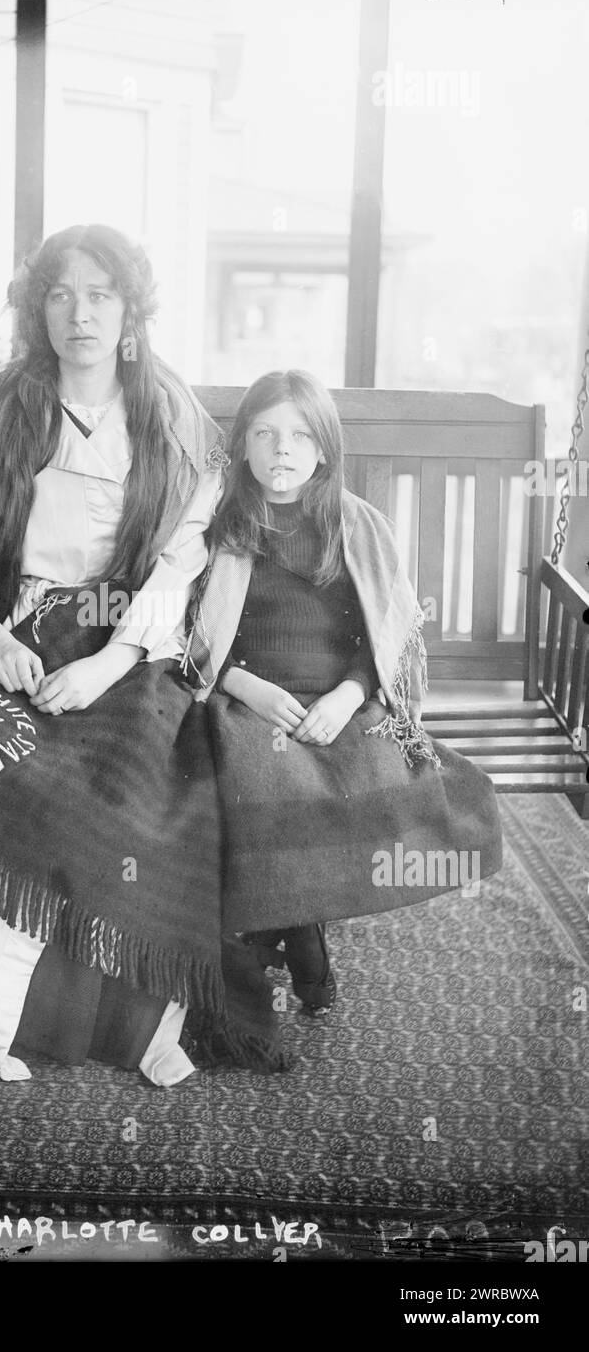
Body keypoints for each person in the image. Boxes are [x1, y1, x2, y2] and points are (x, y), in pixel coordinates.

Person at [0, 225, 285, 1087]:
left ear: (129, 311)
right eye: (60, 294)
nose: (80, 313)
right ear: (38, 309)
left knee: (134, 792)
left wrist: (109, 661)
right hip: (13, 636)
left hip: (128, 650)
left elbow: (181, 565)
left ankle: (122, 1027)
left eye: (100, 295)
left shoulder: (170, 426)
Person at [183, 369, 503, 1013]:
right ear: (241, 442)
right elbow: (189, 627)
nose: (282, 450)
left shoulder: (356, 526)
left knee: (407, 782)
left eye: (300, 436)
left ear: (324, 449)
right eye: (266, 433)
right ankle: (303, 939)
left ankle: (290, 917)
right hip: (241, 698)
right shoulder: (215, 525)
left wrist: (351, 695)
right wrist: (246, 686)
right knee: (262, 778)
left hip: (341, 701)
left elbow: (383, 633)